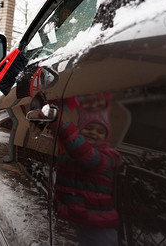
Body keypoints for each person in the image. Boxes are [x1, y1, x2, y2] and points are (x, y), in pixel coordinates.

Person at [55, 94, 121, 246]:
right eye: (89, 128)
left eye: (100, 131)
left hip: (98, 221)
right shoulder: (71, 151)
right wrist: (54, 123)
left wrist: (63, 127)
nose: (93, 132)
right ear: (80, 130)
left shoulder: (108, 156)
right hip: (79, 213)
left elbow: (87, 156)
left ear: (105, 138)